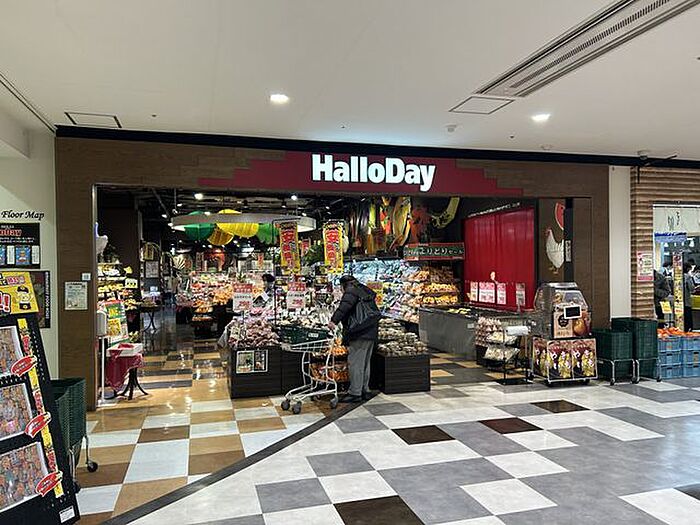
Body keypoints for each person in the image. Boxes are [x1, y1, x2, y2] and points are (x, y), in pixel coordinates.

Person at [329, 275, 380, 403]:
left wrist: (333, 321)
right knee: (365, 363)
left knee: (356, 363)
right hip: (370, 331)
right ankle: (364, 390)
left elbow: (344, 307)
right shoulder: (363, 289)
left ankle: (355, 393)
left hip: (359, 332)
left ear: (343, 285)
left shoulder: (351, 291)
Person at [684, 262, 696, 331]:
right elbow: (691, 288)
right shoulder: (688, 277)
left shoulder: (676, 276)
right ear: (688, 269)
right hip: (686, 300)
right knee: (688, 316)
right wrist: (695, 288)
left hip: (678, 301)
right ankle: (688, 329)